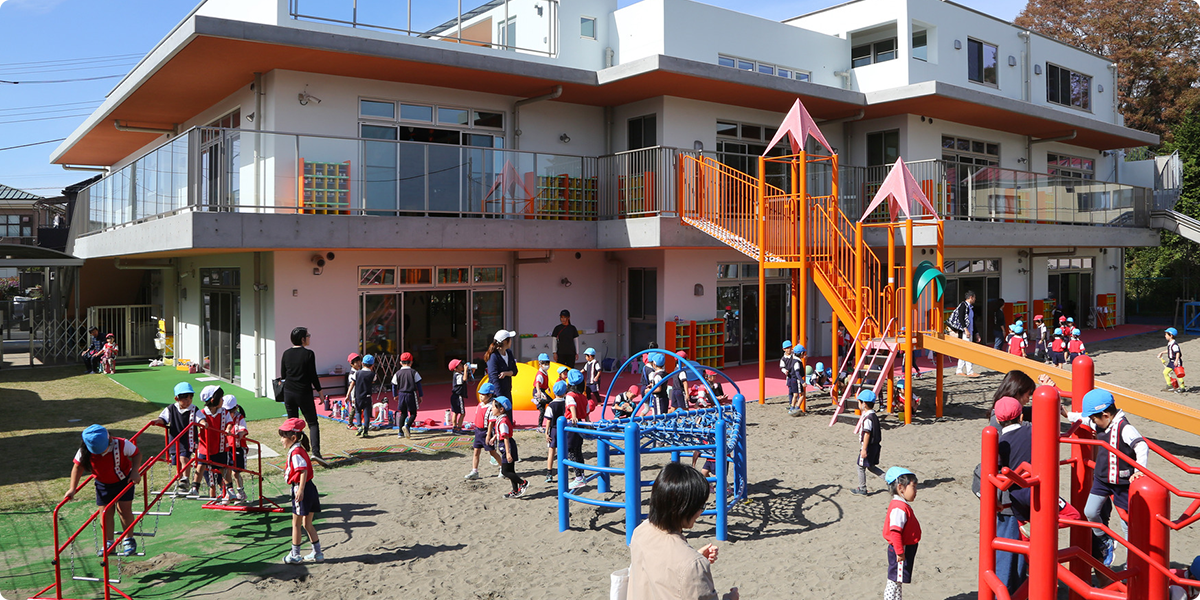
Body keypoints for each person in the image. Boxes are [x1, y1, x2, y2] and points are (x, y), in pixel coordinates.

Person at [628, 463, 739, 600]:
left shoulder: (640, 532)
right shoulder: (693, 565)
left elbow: (660, 574)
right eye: (700, 506)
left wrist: (693, 557)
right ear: (683, 509)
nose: (701, 511)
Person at [1068, 389, 1149, 567]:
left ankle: (1132, 557)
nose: (1093, 422)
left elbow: (1141, 446)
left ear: (1105, 415)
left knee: (1127, 522)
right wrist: (1066, 414)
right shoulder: (1102, 421)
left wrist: (1139, 469)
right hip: (1102, 479)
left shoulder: (1124, 428)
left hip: (1122, 483)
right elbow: (1083, 418)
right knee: (1090, 511)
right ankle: (1106, 539)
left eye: (1095, 419)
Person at [64, 425, 142, 557]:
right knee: (105, 513)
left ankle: (129, 539)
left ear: (109, 439)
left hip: (124, 481)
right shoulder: (84, 451)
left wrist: (135, 471)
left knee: (124, 509)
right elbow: (77, 467)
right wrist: (73, 488)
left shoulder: (122, 444)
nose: (99, 453)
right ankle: (109, 542)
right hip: (102, 484)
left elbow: (137, 454)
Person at [991, 396, 1032, 593]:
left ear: (998, 421)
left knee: (1007, 552)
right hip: (1036, 494)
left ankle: (1005, 593)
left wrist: (997, 501)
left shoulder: (999, 443)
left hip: (1012, 500)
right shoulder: (1033, 430)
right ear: (1022, 416)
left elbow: (997, 475)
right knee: (1028, 551)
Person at [280, 418, 323, 564]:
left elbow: (303, 470)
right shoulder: (298, 450)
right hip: (310, 488)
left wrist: (300, 490)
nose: (281, 440)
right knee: (307, 524)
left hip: (301, 488)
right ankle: (317, 553)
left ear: (293, 438)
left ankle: (295, 554)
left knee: (296, 524)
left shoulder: (296, 452)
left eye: (283, 437)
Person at [280, 327, 327, 458]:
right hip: (303, 392)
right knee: (312, 423)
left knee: (292, 423)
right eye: (308, 335)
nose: (309, 337)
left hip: (288, 392)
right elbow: (313, 375)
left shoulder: (286, 353)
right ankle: (316, 453)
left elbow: (283, 374)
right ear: (302, 339)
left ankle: (294, 453)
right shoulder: (308, 354)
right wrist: (320, 391)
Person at [150, 382, 200, 493]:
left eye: (190, 399)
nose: (188, 402)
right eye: (185, 399)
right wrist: (157, 421)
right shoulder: (171, 409)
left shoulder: (194, 409)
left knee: (184, 458)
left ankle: (185, 479)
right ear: (177, 398)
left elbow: (200, 418)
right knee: (177, 461)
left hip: (189, 439)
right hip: (175, 440)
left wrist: (203, 422)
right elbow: (163, 418)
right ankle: (181, 482)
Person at [882, 467, 922, 600]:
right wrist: (899, 552)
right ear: (901, 488)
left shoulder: (901, 505)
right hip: (901, 550)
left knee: (898, 581)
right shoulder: (899, 507)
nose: (916, 491)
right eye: (913, 487)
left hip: (904, 549)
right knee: (893, 581)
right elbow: (895, 532)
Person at [193, 385, 234, 501]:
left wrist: (228, 429)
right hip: (206, 446)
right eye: (221, 398)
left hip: (220, 446)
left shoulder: (224, 412)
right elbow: (198, 421)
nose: (223, 400)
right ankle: (195, 487)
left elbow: (229, 422)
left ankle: (230, 489)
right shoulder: (201, 413)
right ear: (213, 400)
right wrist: (202, 423)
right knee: (201, 465)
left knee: (224, 468)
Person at [491, 396, 528, 498]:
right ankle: (515, 491)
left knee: (505, 471)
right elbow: (501, 433)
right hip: (506, 445)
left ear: (501, 409)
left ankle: (522, 482)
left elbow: (506, 437)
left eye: (494, 407)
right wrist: (495, 437)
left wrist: (508, 453)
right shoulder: (501, 419)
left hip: (507, 446)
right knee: (511, 471)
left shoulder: (503, 422)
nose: (492, 409)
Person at [464, 382, 502, 480]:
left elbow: (491, 422)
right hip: (478, 431)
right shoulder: (480, 405)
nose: (481, 396)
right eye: (480, 394)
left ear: (490, 395)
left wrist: (489, 435)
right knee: (476, 451)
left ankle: (503, 468)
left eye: (483, 395)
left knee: (492, 452)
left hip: (485, 432)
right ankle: (474, 471)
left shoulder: (491, 407)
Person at [851, 390, 884, 496]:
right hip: (875, 446)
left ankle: (862, 488)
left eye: (859, 402)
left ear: (864, 404)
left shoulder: (868, 418)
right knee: (871, 467)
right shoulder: (873, 415)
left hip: (868, 446)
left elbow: (867, 433)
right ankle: (890, 480)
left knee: (860, 467)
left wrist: (864, 449)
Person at [223, 395, 249, 504]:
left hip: (238, 447)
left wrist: (239, 434)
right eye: (226, 411)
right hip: (227, 447)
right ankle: (229, 493)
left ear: (235, 409)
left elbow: (243, 429)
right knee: (226, 471)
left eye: (230, 411)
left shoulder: (239, 418)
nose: (228, 414)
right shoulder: (223, 417)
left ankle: (241, 492)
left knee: (235, 472)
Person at [391, 352, 423, 439]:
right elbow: (419, 384)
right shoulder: (414, 372)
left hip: (401, 394)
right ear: (411, 362)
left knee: (403, 414)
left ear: (400, 362)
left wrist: (395, 395)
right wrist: (420, 395)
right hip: (411, 394)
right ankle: (408, 426)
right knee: (413, 413)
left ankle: (400, 432)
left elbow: (393, 385)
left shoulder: (397, 373)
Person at [949, 291, 980, 377]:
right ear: (971, 297)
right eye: (974, 297)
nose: (975, 299)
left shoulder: (970, 308)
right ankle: (970, 371)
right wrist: (965, 329)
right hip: (964, 332)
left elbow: (972, 321)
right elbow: (961, 318)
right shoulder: (963, 305)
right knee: (967, 351)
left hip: (969, 331)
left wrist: (976, 333)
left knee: (964, 351)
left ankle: (959, 369)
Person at [566, 369, 589, 490]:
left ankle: (578, 477)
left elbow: (571, 406)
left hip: (572, 425)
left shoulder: (570, 395)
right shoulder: (583, 396)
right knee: (578, 451)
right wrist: (588, 423)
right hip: (580, 424)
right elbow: (586, 412)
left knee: (571, 451)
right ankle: (582, 475)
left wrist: (574, 417)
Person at [545, 380, 569, 483]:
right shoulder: (566, 403)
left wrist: (546, 432)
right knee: (563, 451)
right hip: (564, 429)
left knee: (551, 451)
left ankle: (549, 473)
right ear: (565, 392)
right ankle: (562, 472)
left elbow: (548, 420)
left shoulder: (551, 405)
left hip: (554, 430)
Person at [485, 329, 519, 401]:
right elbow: (494, 378)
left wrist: (506, 373)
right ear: (505, 341)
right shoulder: (493, 356)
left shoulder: (509, 353)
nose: (511, 341)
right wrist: (500, 397)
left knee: (508, 411)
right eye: (510, 339)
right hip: (495, 393)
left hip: (507, 391)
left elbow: (515, 371)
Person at [449, 358, 475, 434]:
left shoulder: (459, 374)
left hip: (455, 396)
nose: (462, 366)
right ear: (456, 369)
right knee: (462, 413)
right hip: (458, 396)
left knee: (455, 412)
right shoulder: (458, 375)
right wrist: (466, 370)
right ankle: (458, 428)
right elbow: (464, 379)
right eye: (460, 365)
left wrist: (471, 371)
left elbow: (467, 376)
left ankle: (455, 428)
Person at [780, 341, 806, 414]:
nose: (789, 349)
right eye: (787, 348)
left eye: (790, 347)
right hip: (791, 377)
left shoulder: (793, 355)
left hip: (793, 376)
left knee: (795, 393)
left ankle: (793, 406)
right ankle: (793, 406)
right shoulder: (784, 359)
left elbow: (798, 351)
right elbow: (782, 367)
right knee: (792, 391)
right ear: (784, 349)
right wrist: (785, 371)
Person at [353, 355, 376, 436]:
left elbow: (354, 382)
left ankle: (359, 426)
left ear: (362, 363)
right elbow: (373, 381)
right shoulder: (373, 374)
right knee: (366, 413)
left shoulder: (357, 373)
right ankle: (366, 431)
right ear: (373, 365)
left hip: (358, 396)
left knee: (358, 411)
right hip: (368, 396)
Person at [1159, 327, 1186, 393]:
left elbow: (1177, 352)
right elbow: (1169, 351)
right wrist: (1162, 352)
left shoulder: (1174, 344)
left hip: (1176, 361)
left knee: (1179, 374)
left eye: (1166, 334)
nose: (1165, 336)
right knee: (1165, 372)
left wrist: (1176, 360)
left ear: (1171, 335)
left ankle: (1182, 388)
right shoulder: (1170, 344)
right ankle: (1169, 385)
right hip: (1171, 362)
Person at [532, 353, 552, 432]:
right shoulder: (540, 374)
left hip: (542, 390)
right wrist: (539, 391)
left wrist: (548, 388)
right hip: (538, 391)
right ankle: (539, 426)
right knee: (543, 408)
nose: (546, 365)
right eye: (544, 363)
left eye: (547, 363)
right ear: (540, 364)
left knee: (546, 406)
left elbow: (544, 382)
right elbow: (537, 383)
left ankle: (542, 425)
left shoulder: (545, 372)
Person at [583, 347, 602, 413]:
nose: (586, 357)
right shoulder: (587, 363)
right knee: (587, 391)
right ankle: (589, 401)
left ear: (590, 356)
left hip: (593, 381)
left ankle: (599, 401)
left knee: (595, 391)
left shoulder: (596, 363)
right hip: (588, 381)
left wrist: (596, 377)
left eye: (586, 356)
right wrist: (579, 372)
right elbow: (584, 370)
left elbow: (599, 371)